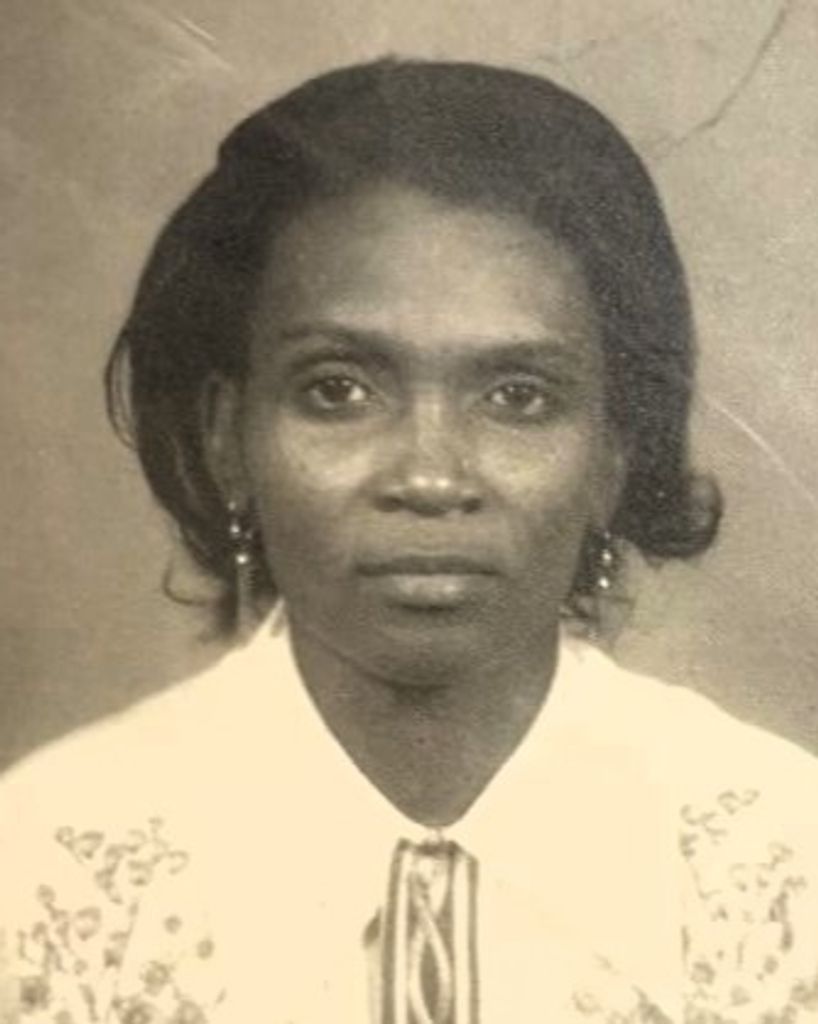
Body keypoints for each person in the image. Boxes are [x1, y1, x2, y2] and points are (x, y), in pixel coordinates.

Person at [1, 58, 817, 1024]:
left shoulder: (785, 869)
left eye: (519, 397)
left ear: (611, 454)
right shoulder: (46, 874)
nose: (431, 478)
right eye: (338, 390)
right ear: (227, 439)